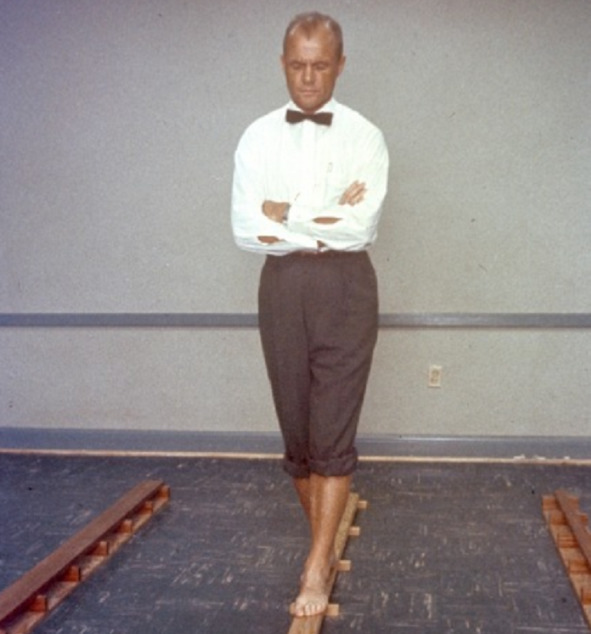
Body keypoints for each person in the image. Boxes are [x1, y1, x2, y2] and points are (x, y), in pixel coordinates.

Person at [231, 11, 388, 618]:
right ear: (282, 64)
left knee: (332, 434)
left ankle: (316, 565)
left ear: (341, 65)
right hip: (282, 289)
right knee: (298, 436)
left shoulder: (365, 138)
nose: (308, 77)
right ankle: (325, 534)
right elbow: (246, 229)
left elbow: (359, 229)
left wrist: (286, 213)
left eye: (321, 65)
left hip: (347, 288)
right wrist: (323, 214)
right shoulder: (257, 137)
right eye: (297, 65)